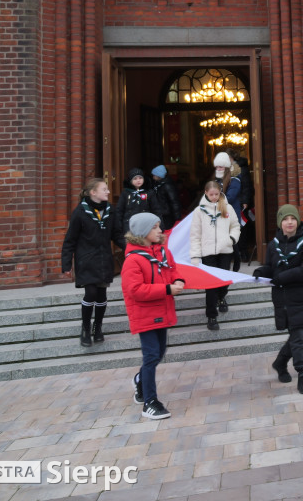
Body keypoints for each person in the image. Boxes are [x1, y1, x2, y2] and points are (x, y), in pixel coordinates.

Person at [121, 212, 185, 420]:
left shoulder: (161, 252)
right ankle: (150, 402)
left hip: (161, 310)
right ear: (142, 232)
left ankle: (140, 381)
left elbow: (172, 270)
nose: (160, 230)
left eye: (159, 226)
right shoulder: (133, 261)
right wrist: (167, 289)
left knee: (159, 352)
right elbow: (135, 290)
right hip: (145, 314)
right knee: (151, 356)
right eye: (155, 227)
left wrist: (179, 280)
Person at [253, 204, 303, 394]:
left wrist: (282, 278)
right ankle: (285, 365)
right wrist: (260, 271)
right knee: (297, 337)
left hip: (301, 298)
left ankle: (300, 373)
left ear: (297, 221)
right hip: (282, 300)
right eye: (285, 219)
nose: (289, 222)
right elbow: (270, 267)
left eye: (292, 218)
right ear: (280, 222)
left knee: (297, 337)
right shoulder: (273, 245)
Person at [61, 178, 116, 348]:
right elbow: (70, 240)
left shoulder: (110, 210)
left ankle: (97, 327)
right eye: (104, 189)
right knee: (91, 293)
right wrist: (66, 264)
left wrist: (131, 249)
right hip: (86, 260)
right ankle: (85, 329)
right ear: (93, 193)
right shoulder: (80, 212)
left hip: (103, 259)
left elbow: (117, 233)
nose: (108, 191)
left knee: (101, 295)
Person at [189, 181, 240, 329]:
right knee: (211, 285)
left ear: (220, 193)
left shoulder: (227, 207)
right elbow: (195, 234)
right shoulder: (199, 211)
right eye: (211, 195)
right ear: (205, 193)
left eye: (216, 194)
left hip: (225, 251)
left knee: (223, 280)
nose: (213, 197)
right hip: (208, 252)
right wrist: (195, 256)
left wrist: (231, 239)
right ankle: (212, 316)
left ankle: (222, 297)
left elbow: (235, 226)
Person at [212, 152, 243, 269]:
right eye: (217, 167)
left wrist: (214, 200)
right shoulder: (219, 179)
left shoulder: (234, 179)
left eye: (220, 167)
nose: (218, 169)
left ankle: (236, 261)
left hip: (231, 214)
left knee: (232, 240)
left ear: (225, 167)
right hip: (221, 213)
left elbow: (230, 197)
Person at [112, 168, 155, 252]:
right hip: (128, 227)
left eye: (140, 178)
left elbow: (156, 210)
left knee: (144, 249)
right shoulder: (125, 193)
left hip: (144, 226)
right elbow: (119, 211)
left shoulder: (149, 193)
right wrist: (119, 227)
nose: (138, 180)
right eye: (135, 178)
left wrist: (160, 226)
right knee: (131, 249)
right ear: (130, 181)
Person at [149, 165, 181, 231]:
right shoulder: (157, 185)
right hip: (160, 213)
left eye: (154, 175)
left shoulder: (167, 186)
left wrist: (177, 217)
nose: (153, 177)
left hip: (166, 215)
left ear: (159, 175)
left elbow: (174, 201)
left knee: (165, 232)